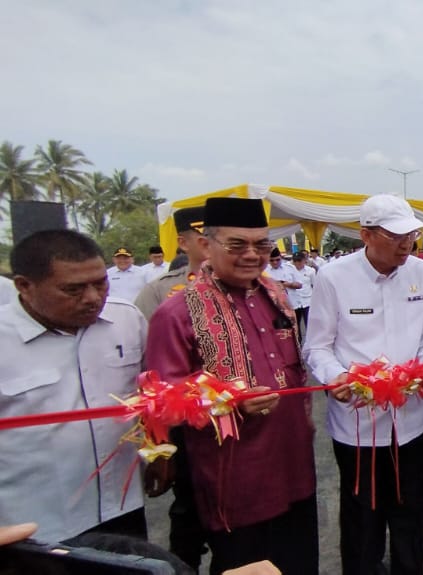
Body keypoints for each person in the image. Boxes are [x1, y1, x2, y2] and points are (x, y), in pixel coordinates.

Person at [145, 197, 318, 575]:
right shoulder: (177, 312)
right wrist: (226, 401)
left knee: (300, 563)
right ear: (206, 245)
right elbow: (162, 403)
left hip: (295, 469)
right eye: (237, 245)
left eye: (262, 245)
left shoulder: (276, 297)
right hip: (236, 481)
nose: (252, 255)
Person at [303, 194, 423, 575]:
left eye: (412, 234)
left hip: (413, 420)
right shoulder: (334, 277)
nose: (407, 243)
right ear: (365, 235)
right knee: (362, 520)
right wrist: (336, 377)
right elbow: (317, 347)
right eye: (396, 235)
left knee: (409, 511)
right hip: (358, 425)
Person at [0, 230, 149, 543]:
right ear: (24, 286)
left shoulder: (126, 318)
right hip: (35, 526)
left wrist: (160, 454)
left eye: (100, 283)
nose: (93, 297)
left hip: (123, 505)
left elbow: (150, 392)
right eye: (73, 289)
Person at [132, 206, 209, 569]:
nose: (214, 246)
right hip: (184, 422)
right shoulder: (159, 291)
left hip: (237, 418)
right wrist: (158, 446)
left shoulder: (249, 286)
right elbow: (146, 373)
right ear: (183, 242)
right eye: (203, 238)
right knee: (188, 509)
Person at [287, 252, 315, 335]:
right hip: (294, 302)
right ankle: (298, 344)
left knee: (310, 325)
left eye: (299, 261)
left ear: (304, 260)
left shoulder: (311, 271)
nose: (297, 263)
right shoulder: (289, 271)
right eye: (295, 261)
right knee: (296, 326)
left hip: (307, 301)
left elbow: (314, 285)